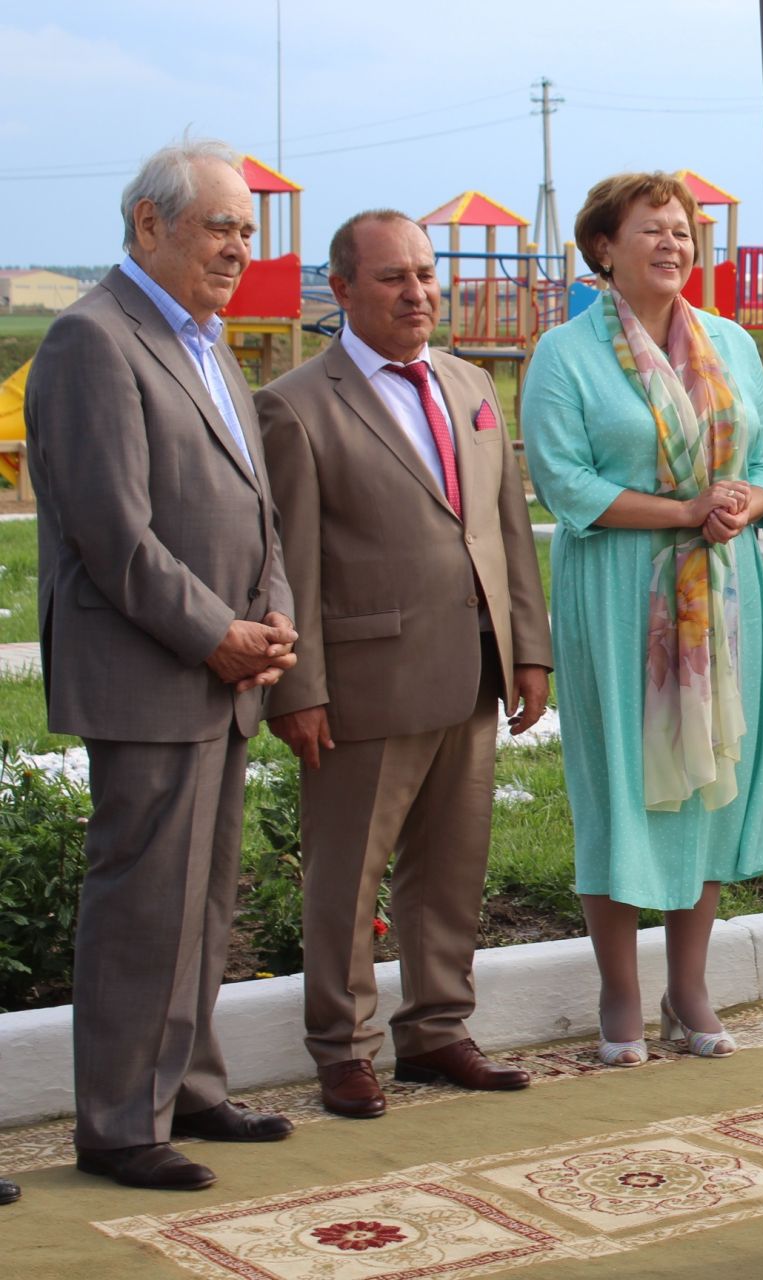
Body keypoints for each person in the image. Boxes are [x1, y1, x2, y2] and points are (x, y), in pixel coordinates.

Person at [25, 139, 298, 1190]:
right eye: (221, 226)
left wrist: (270, 611)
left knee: (203, 897)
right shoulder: (93, 339)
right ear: (149, 224)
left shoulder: (207, 341)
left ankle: (184, 1087)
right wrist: (216, 634)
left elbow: (253, 501)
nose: (239, 246)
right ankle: (117, 1123)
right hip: (153, 671)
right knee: (144, 901)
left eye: (246, 228)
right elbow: (114, 533)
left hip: (225, 667)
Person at [256, 210, 555, 1117]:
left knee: (452, 864)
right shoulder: (299, 403)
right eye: (392, 277)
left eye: (425, 274)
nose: (417, 292)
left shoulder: (468, 383)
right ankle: (342, 1048)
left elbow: (505, 531)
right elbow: (289, 561)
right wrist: (296, 691)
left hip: (471, 670)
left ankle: (435, 1031)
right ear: (341, 290)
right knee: (348, 875)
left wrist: (528, 651)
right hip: (361, 685)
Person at [522, 171, 763, 1063]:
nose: (673, 245)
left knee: (712, 780)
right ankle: (620, 991)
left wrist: (742, 504)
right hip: (617, 595)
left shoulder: (730, 345)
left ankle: (690, 985)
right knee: (622, 785)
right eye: (653, 230)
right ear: (604, 246)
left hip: (723, 595)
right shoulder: (565, 353)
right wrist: (686, 512)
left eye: (683, 231)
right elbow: (565, 484)